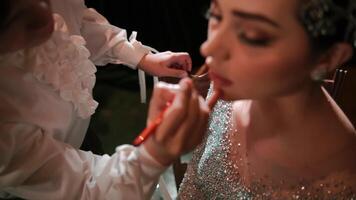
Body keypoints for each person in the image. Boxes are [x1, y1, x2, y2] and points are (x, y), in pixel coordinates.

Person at [0, 0, 212, 199]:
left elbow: (76, 24)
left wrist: (138, 56)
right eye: (21, 19)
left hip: (81, 138)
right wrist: (156, 150)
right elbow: (91, 187)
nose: (48, 18)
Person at [178, 0, 356, 199]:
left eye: (253, 36)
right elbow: (193, 183)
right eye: (216, 16)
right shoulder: (230, 85)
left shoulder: (340, 178)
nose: (209, 48)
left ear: (328, 57)